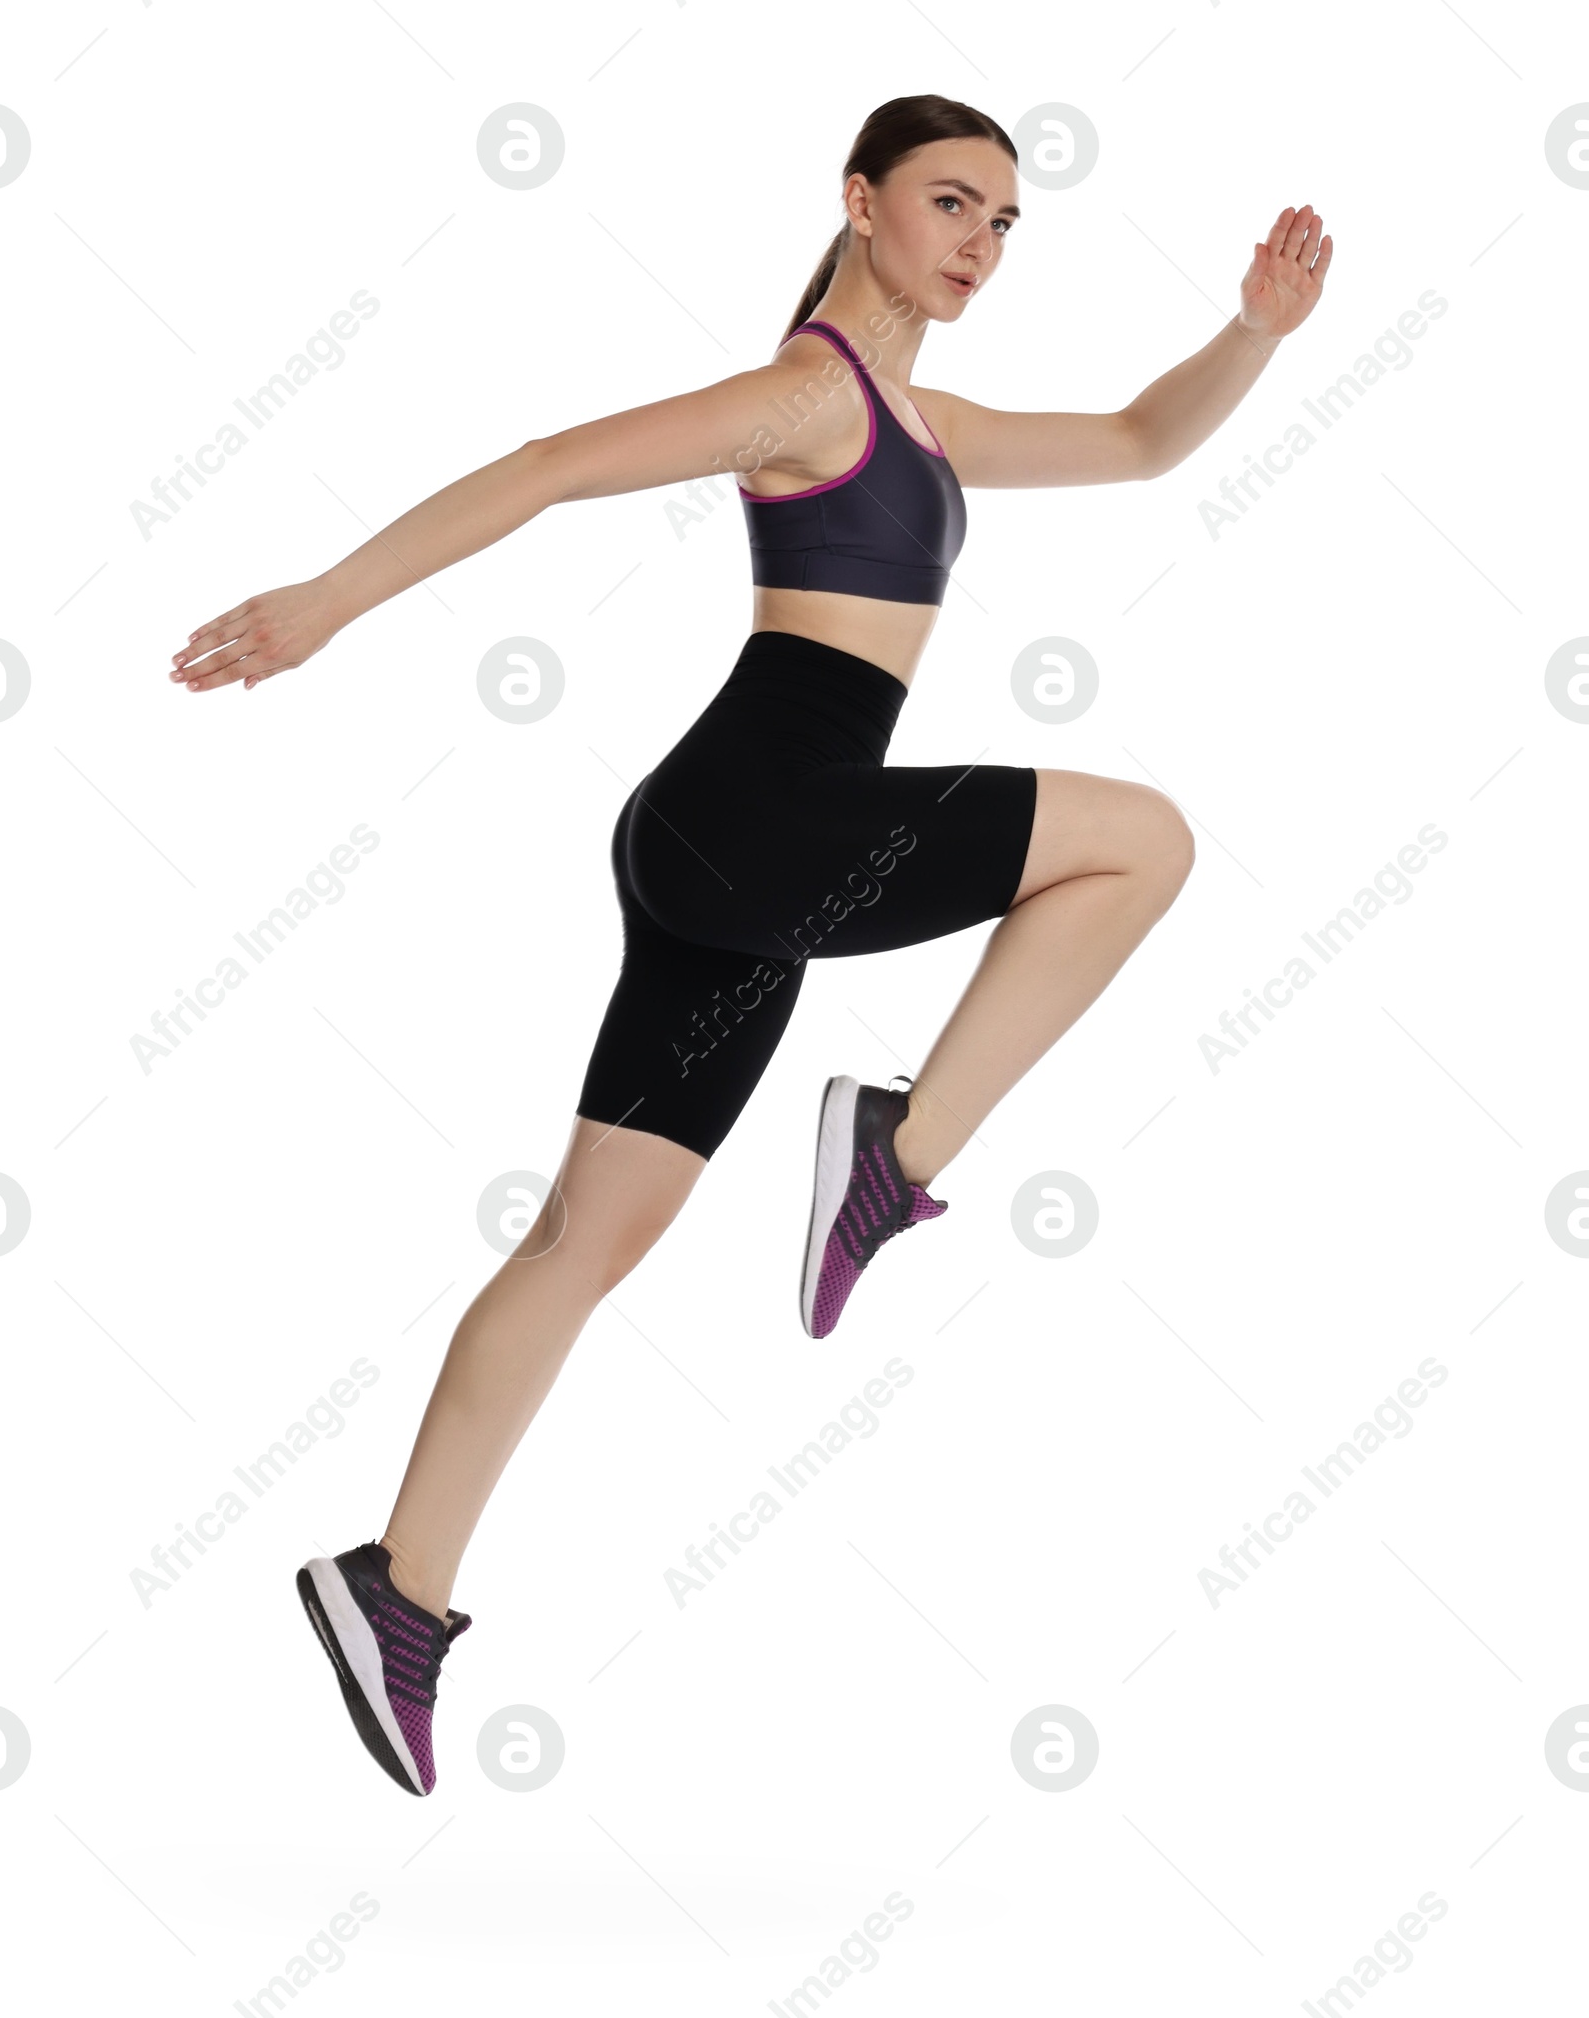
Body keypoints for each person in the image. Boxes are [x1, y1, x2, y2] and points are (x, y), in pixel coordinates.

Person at [168, 94, 1332, 1795]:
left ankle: (394, 1588)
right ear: (859, 204)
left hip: (744, 855)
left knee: (585, 1241)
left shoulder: (928, 424)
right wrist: (327, 603)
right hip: (758, 822)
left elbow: (1148, 441)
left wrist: (1253, 332)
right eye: (950, 203)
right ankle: (896, 1151)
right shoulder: (810, 394)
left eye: (1004, 222)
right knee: (1139, 839)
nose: (979, 242)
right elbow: (552, 466)